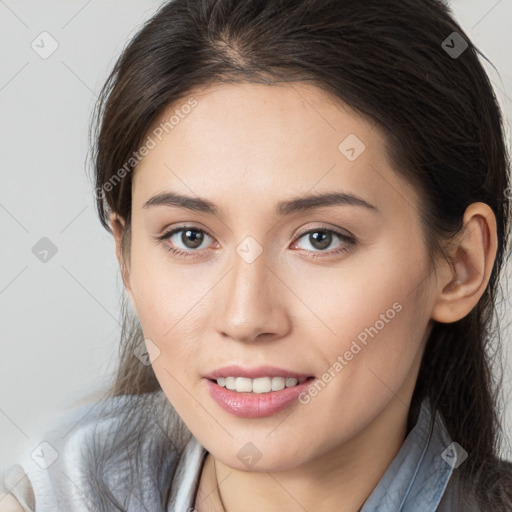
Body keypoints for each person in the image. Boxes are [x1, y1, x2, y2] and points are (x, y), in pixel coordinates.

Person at [1, 0, 512, 510]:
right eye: (190, 237)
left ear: (459, 266)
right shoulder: (53, 493)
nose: (246, 318)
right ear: (126, 257)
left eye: (320, 238)